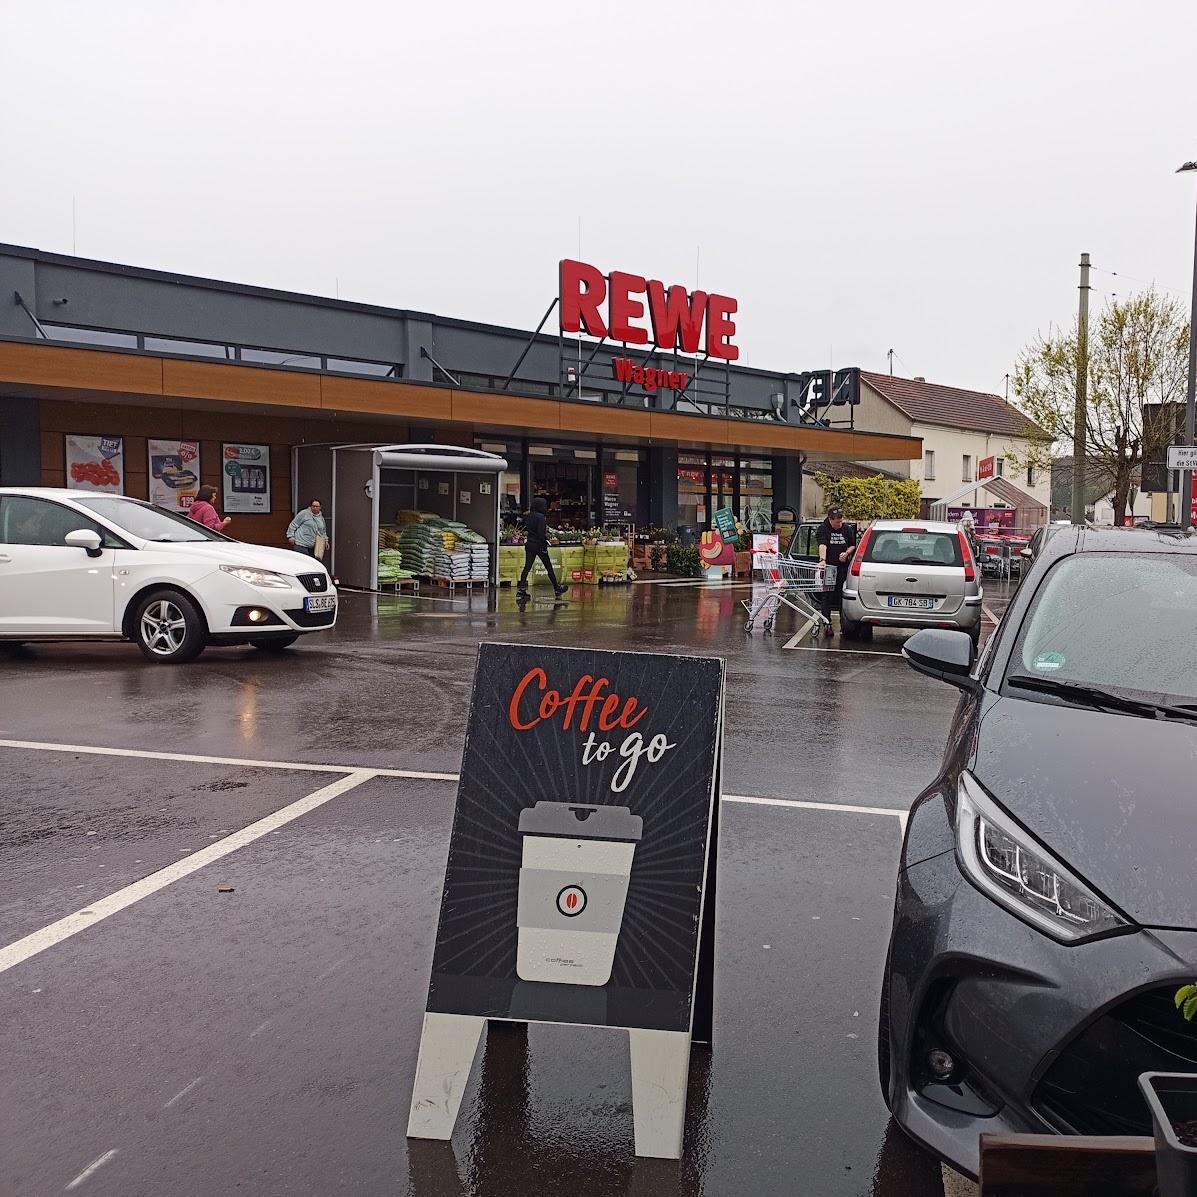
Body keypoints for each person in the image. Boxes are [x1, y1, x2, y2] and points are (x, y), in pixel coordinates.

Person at [815, 506, 858, 637]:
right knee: (827, 596)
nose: (839, 524)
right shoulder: (823, 529)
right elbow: (822, 545)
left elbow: (852, 545)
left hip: (842, 568)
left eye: (841, 521)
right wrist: (823, 560)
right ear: (830, 519)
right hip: (829, 568)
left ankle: (844, 624)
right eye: (836, 522)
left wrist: (846, 553)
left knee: (841, 597)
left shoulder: (847, 529)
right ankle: (827, 624)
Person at [516, 496, 568, 599]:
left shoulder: (529, 516)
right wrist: (545, 543)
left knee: (527, 567)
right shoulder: (541, 517)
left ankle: (521, 589)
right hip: (539, 545)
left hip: (529, 544)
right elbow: (541, 533)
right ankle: (556, 588)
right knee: (548, 566)